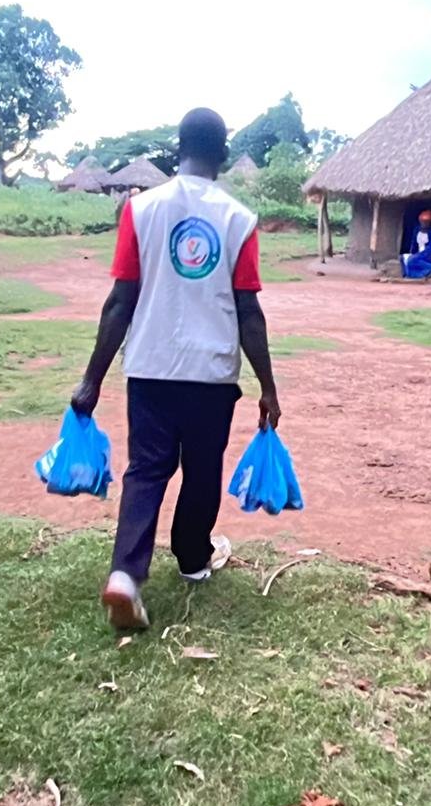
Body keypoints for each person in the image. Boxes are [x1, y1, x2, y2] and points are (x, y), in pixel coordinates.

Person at [71, 107, 281, 630]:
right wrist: (268, 387)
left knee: (146, 470)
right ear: (224, 154)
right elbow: (248, 311)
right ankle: (192, 559)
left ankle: (126, 574)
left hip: (150, 367)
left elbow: (120, 301)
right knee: (202, 469)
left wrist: (92, 379)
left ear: (177, 150)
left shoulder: (140, 210)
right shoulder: (238, 219)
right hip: (211, 375)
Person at [401, 210, 431, 279]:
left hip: (427, 256)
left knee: (412, 260)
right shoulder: (417, 230)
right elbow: (414, 244)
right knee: (402, 258)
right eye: (422, 221)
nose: (424, 224)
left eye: (426, 222)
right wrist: (412, 253)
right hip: (417, 253)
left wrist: (419, 255)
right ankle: (407, 275)